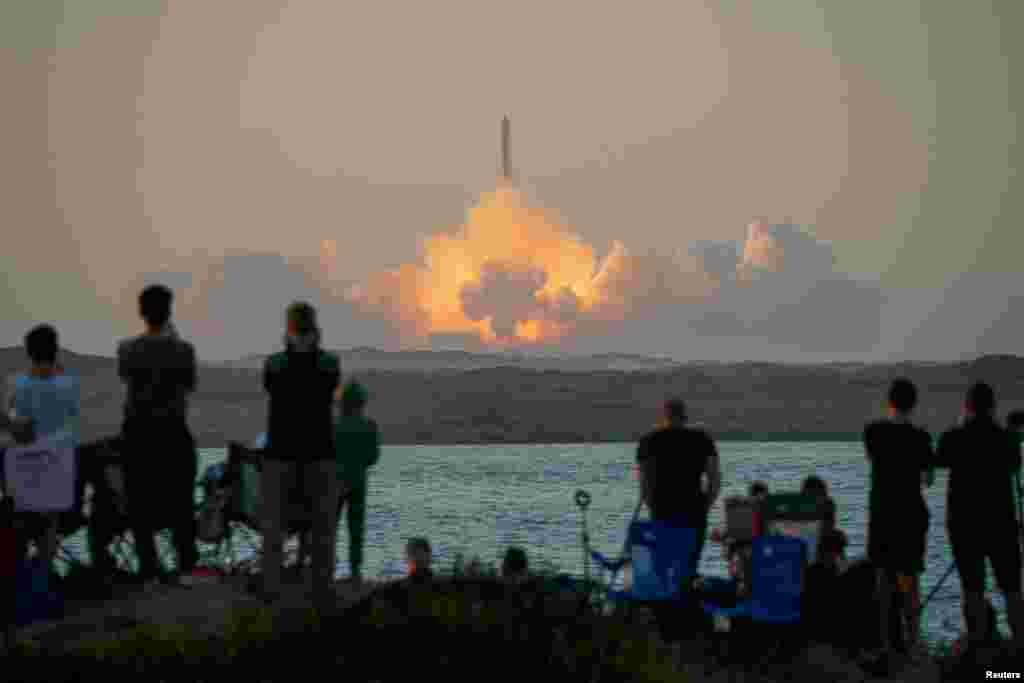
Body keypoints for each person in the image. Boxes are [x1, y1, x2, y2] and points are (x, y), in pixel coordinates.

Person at [258, 302, 341, 607]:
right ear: (315, 330)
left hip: (280, 454)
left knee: (274, 528)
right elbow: (329, 383)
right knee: (322, 530)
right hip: (320, 454)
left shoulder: (274, 364)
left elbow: (270, 386)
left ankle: (272, 590)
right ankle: (321, 590)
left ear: (288, 330)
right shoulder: (330, 364)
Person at [117, 285, 198, 587]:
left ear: (141, 311)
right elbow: (189, 384)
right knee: (181, 500)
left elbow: (126, 375)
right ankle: (186, 565)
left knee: (139, 501)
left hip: (138, 433)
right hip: (173, 431)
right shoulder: (183, 350)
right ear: (169, 311)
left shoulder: (127, 349)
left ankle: (148, 568)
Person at [934, 382, 1024, 653]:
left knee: (972, 588)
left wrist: (960, 425)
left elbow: (939, 460)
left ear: (967, 406)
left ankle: (977, 647)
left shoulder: (954, 437)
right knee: (1012, 587)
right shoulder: (1005, 439)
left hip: (965, 526)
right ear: (993, 407)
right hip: (1002, 525)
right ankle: (1020, 646)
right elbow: (1014, 465)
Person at [863, 378, 934, 656]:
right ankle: (915, 641)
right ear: (914, 404)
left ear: (889, 402)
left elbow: (873, 460)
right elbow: (928, 479)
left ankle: (884, 644)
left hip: (882, 513)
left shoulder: (873, 432)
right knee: (910, 581)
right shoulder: (921, 437)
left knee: (882, 579)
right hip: (911, 516)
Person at [2, 325, 80, 575]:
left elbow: (20, 431)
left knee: (21, 520)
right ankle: (44, 576)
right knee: (49, 524)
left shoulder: (18, 385)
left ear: (28, 352)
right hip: (58, 470)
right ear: (55, 350)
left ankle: (21, 576)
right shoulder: (68, 385)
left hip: (23, 471)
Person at [636, 398, 721, 571]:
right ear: (684, 416)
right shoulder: (702, 439)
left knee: (664, 563)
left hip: (662, 509)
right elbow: (715, 478)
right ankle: (687, 592)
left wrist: (651, 505)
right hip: (693, 509)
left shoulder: (649, 440)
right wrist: (706, 505)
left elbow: (643, 481)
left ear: (664, 416)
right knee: (690, 563)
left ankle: (668, 595)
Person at [333, 380, 380, 584]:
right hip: (359, 482)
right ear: (362, 402)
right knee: (356, 529)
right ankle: (355, 571)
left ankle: (326, 569)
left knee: (329, 529)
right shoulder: (370, 426)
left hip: (334, 483)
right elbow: (373, 457)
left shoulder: (332, 427)